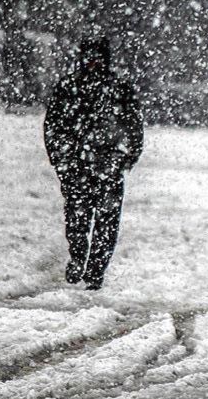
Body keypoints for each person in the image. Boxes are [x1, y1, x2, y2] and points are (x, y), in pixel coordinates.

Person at [44, 36, 143, 289]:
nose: (93, 64)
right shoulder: (69, 88)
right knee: (78, 219)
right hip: (78, 166)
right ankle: (78, 259)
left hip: (106, 166)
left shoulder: (118, 89)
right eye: (90, 58)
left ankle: (95, 271)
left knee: (105, 223)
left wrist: (124, 158)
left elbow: (134, 128)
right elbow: (53, 127)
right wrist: (61, 160)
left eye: (98, 58)